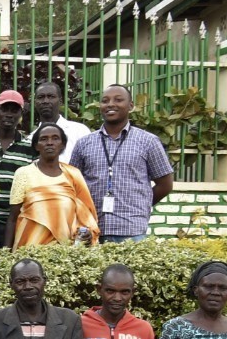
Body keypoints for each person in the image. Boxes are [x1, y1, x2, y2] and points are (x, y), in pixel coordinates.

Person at [71, 84, 175, 243]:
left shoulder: (148, 141)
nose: (111, 104)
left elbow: (165, 184)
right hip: (91, 231)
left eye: (118, 100)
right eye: (105, 101)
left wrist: (141, 205)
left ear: (131, 106)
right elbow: (73, 185)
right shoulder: (84, 143)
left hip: (131, 231)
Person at [7, 124, 100, 248]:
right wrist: (6, 252)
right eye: (44, 139)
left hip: (64, 250)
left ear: (62, 145)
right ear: (36, 146)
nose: (49, 143)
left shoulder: (73, 174)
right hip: (29, 246)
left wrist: (87, 232)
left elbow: (85, 213)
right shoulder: (23, 173)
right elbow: (12, 218)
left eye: (55, 138)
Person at [0, 90, 37, 246]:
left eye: (14, 110)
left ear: (21, 113)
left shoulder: (30, 147)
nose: (9, 114)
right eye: (5, 109)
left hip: (16, 218)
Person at [31, 81, 92, 163]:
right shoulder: (31, 138)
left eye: (51, 96)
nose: (45, 101)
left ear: (60, 101)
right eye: (41, 97)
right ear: (35, 102)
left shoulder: (80, 131)